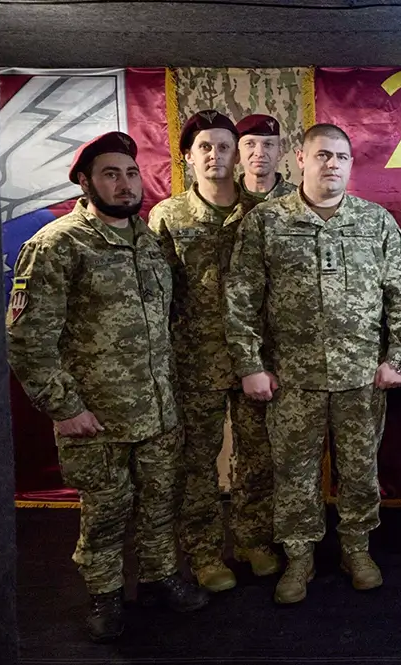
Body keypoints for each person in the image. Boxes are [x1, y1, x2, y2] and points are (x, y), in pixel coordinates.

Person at [7, 132, 207, 642]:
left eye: (131, 173)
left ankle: (160, 578)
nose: (125, 184)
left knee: (161, 502)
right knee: (106, 511)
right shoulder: (57, 245)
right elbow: (28, 340)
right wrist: (64, 408)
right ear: (85, 181)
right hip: (97, 418)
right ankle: (105, 594)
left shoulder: (150, 241)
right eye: (111, 175)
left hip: (158, 411)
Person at [225, 123, 401, 604]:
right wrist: (250, 365)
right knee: (294, 474)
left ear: (351, 164)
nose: (332, 164)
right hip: (293, 380)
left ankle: (357, 550)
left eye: (341, 157)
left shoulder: (374, 221)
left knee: (360, 471)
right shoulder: (267, 222)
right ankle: (299, 558)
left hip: (362, 380)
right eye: (322, 155)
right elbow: (241, 298)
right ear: (300, 159)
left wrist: (397, 358)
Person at [148, 110, 278, 593]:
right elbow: (156, 296)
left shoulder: (262, 211)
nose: (214, 155)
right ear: (187, 155)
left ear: (237, 153)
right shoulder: (169, 216)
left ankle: (253, 541)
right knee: (197, 462)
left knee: (258, 455)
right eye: (204, 146)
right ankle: (204, 553)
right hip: (194, 362)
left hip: (255, 360)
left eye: (224, 146)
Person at [236, 113, 297, 201]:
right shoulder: (223, 197)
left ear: (280, 152)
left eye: (268, 144)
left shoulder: (299, 199)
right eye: (249, 144)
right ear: (237, 152)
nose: (259, 153)